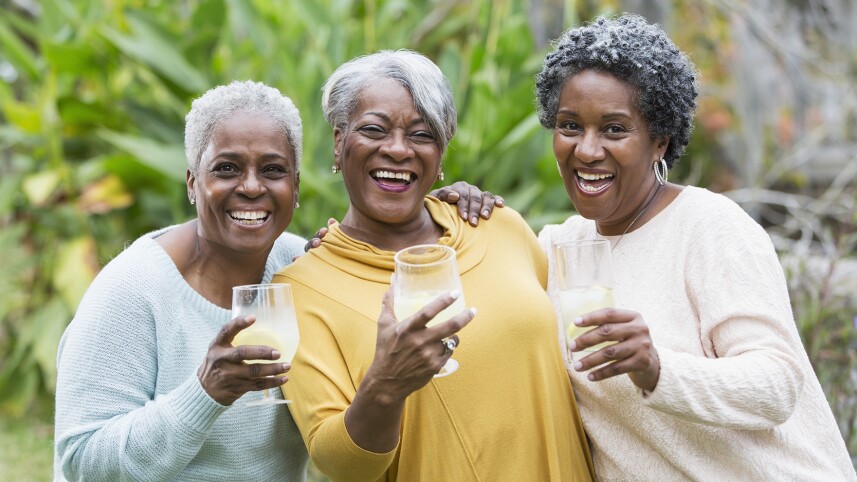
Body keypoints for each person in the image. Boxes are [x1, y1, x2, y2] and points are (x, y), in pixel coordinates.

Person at [532, 13, 856, 480]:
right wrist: (463, 208)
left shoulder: (710, 229)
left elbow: (777, 382)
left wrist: (657, 368)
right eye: (569, 126)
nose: (586, 150)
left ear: (659, 141)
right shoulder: (556, 249)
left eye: (614, 129)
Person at [274, 50, 595, 481]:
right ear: (338, 141)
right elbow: (339, 465)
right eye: (373, 129)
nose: (397, 149)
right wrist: (385, 386)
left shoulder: (499, 227)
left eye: (422, 135)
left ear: (441, 154)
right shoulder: (302, 289)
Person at [53, 81, 311, 481]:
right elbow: (83, 461)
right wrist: (204, 393)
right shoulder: (132, 288)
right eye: (227, 168)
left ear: (295, 187)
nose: (251, 186)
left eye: (272, 170)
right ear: (193, 182)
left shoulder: (302, 268)